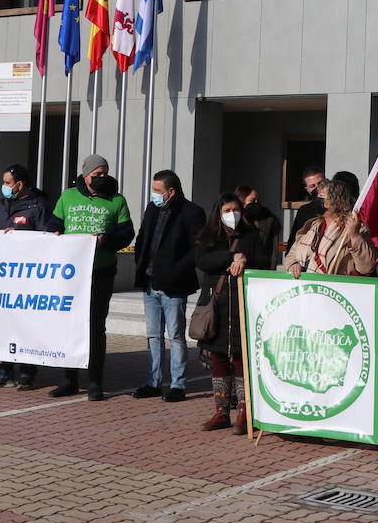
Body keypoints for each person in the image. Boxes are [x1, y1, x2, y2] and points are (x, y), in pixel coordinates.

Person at [48, 156, 134, 400]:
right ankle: (69, 379)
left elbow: (127, 233)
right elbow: (54, 223)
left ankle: (95, 380)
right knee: (70, 325)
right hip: (71, 274)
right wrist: (54, 233)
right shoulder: (67, 196)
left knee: (96, 327)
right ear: (85, 174)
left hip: (101, 272)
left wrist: (106, 239)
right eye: (97, 173)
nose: (102, 177)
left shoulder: (117, 200)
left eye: (105, 172)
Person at [194, 192, 271, 433]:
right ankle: (221, 411)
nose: (232, 215)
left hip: (242, 305)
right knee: (218, 358)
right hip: (216, 306)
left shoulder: (251, 235)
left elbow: (264, 261)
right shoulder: (208, 237)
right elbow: (202, 261)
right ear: (218, 213)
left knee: (240, 358)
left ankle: (243, 412)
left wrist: (244, 260)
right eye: (227, 210)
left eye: (235, 209)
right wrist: (230, 257)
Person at [0, 164, 55, 392]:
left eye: (7, 183)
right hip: (3, 277)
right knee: (4, 325)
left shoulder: (38, 206)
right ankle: (3, 372)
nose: (3, 187)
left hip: (27, 278)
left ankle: (27, 373)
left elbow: (46, 239)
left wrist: (21, 240)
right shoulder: (3, 206)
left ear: (19, 185)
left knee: (25, 325)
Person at [133, 169, 206, 402]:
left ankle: (177, 385)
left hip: (174, 286)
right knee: (153, 336)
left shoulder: (192, 212)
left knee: (175, 335)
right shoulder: (152, 208)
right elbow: (144, 237)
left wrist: (175, 271)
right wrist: (140, 262)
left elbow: (197, 248)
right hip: (150, 282)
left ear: (171, 191)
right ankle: (153, 382)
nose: (154, 194)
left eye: (158, 190)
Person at [284, 177, 378, 277]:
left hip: (337, 290)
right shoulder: (314, 226)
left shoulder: (354, 229)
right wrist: (293, 264)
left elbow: (367, 267)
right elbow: (292, 254)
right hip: (308, 289)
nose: (317, 199)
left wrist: (355, 236)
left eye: (321, 196)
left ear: (336, 201)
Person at [235, 184, 281, 267]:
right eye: (252, 200)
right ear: (241, 201)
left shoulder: (268, 220)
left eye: (258, 200)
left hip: (260, 268)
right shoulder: (234, 220)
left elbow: (273, 250)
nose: (256, 203)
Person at [286, 164, 326, 249]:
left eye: (320, 183)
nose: (318, 188)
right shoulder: (304, 211)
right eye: (312, 186)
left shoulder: (336, 207)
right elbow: (294, 239)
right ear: (307, 189)